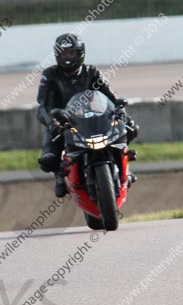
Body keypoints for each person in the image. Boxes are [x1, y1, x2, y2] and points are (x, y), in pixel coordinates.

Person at [36, 33, 138, 197]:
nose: (67, 58)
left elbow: (109, 95)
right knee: (48, 159)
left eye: (71, 53)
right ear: (57, 54)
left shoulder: (92, 71)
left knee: (130, 127)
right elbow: (43, 104)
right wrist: (52, 123)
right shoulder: (50, 74)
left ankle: (124, 165)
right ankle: (60, 177)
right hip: (63, 121)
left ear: (80, 53)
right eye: (64, 54)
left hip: (93, 117)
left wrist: (119, 109)